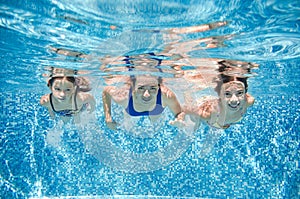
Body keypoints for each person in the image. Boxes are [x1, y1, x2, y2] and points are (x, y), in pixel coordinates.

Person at [102, 74, 185, 130]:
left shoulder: (166, 96)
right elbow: (106, 92)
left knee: (154, 125)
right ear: (133, 88)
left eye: (152, 88)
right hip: (131, 109)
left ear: (158, 87)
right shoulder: (124, 96)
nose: (146, 95)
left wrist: (180, 119)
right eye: (141, 88)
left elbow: (179, 113)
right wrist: (108, 117)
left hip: (156, 110)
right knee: (128, 127)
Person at [183, 70, 255, 130]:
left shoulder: (248, 101)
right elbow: (186, 109)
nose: (234, 100)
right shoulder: (208, 113)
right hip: (203, 105)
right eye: (227, 94)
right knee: (194, 122)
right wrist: (180, 118)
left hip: (217, 108)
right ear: (219, 94)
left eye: (239, 93)